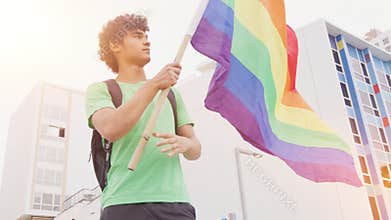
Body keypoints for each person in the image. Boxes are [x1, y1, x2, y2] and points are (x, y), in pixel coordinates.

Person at [85, 13, 201, 220]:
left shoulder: (171, 94)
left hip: (175, 204)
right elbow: (112, 129)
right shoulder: (102, 90)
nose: (146, 41)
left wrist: (186, 144)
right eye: (138, 36)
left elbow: (195, 149)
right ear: (115, 45)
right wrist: (154, 84)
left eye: (146, 36)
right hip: (123, 203)